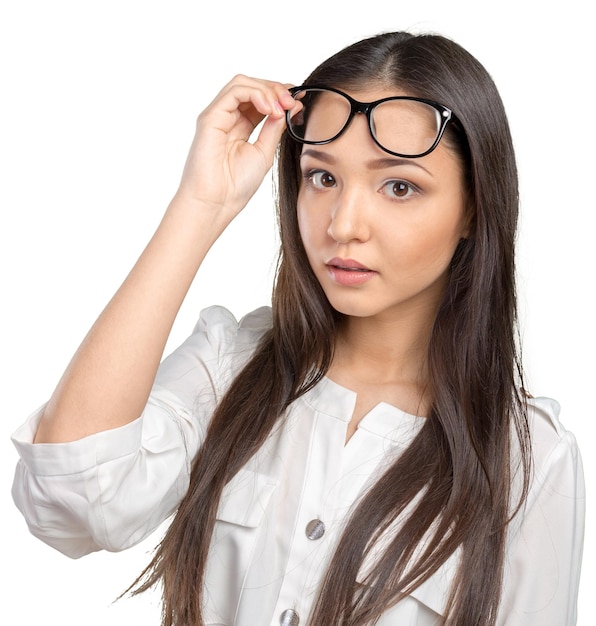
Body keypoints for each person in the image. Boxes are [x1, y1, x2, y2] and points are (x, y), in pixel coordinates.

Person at [11, 31, 584, 626]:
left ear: (472, 206)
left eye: (399, 186)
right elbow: (73, 500)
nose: (344, 225)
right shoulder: (230, 367)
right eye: (323, 178)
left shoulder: (531, 462)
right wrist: (202, 205)